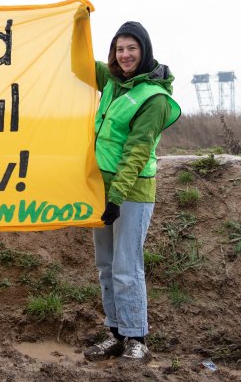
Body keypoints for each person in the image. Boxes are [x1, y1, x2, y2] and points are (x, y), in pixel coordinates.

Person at [84, 21, 181, 363]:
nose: (124, 56)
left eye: (131, 49)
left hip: (132, 192)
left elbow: (137, 152)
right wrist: (73, 22)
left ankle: (136, 337)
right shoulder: (113, 80)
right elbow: (78, 63)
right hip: (103, 189)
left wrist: (116, 198)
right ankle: (115, 333)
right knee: (106, 266)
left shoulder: (153, 98)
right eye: (119, 49)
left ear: (145, 51)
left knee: (126, 266)